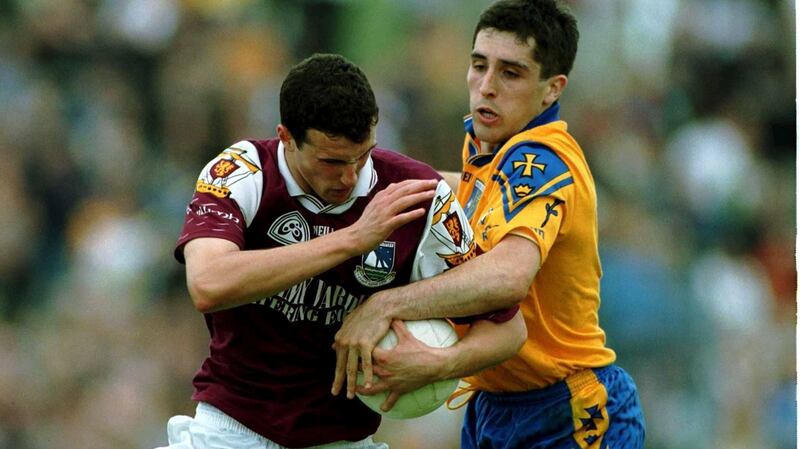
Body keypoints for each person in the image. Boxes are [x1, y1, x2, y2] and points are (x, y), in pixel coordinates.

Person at [156, 53, 526, 449]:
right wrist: (353, 238)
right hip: (231, 432)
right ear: (286, 137)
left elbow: (509, 329)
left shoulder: (417, 195)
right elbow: (208, 283)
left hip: (345, 440)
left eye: (363, 155)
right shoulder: (241, 172)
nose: (350, 176)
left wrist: (438, 361)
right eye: (331, 161)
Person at [331, 1, 646, 447]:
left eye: (510, 73)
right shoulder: (488, 146)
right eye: (479, 66)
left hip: (569, 412)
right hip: (494, 409)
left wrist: (386, 305)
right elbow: (464, 190)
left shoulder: (541, 160)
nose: (487, 86)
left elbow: (507, 278)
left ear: (551, 90)